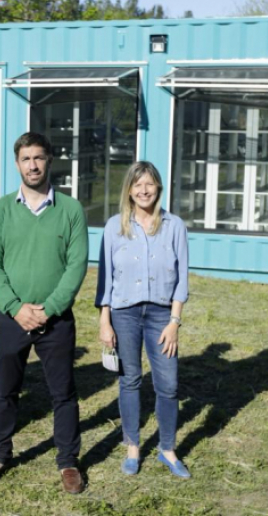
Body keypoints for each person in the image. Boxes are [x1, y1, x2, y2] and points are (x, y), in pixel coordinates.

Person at [0, 132, 89, 494]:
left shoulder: (70, 210)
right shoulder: (2, 209)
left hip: (55, 321)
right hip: (12, 318)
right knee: (5, 390)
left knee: (63, 393)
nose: (33, 165)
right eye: (26, 159)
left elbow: (77, 266)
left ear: (50, 160)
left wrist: (50, 309)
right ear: (17, 163)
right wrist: (15, 308)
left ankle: (68, 461)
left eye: (39, 158)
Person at [95, 161, 190, 478]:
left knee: (169, 384)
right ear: (129, 191)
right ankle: (133, 447)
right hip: (124, 313)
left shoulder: (174, 226)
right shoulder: (114, 226)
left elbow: (182, 280)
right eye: (138, 185)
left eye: (149, 184)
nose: (144, 190)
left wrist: (174, 322)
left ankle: (167, 449)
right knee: (130, 380)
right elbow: (105, 279)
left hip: (162, 314)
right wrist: (104, 322)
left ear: (158, 188)